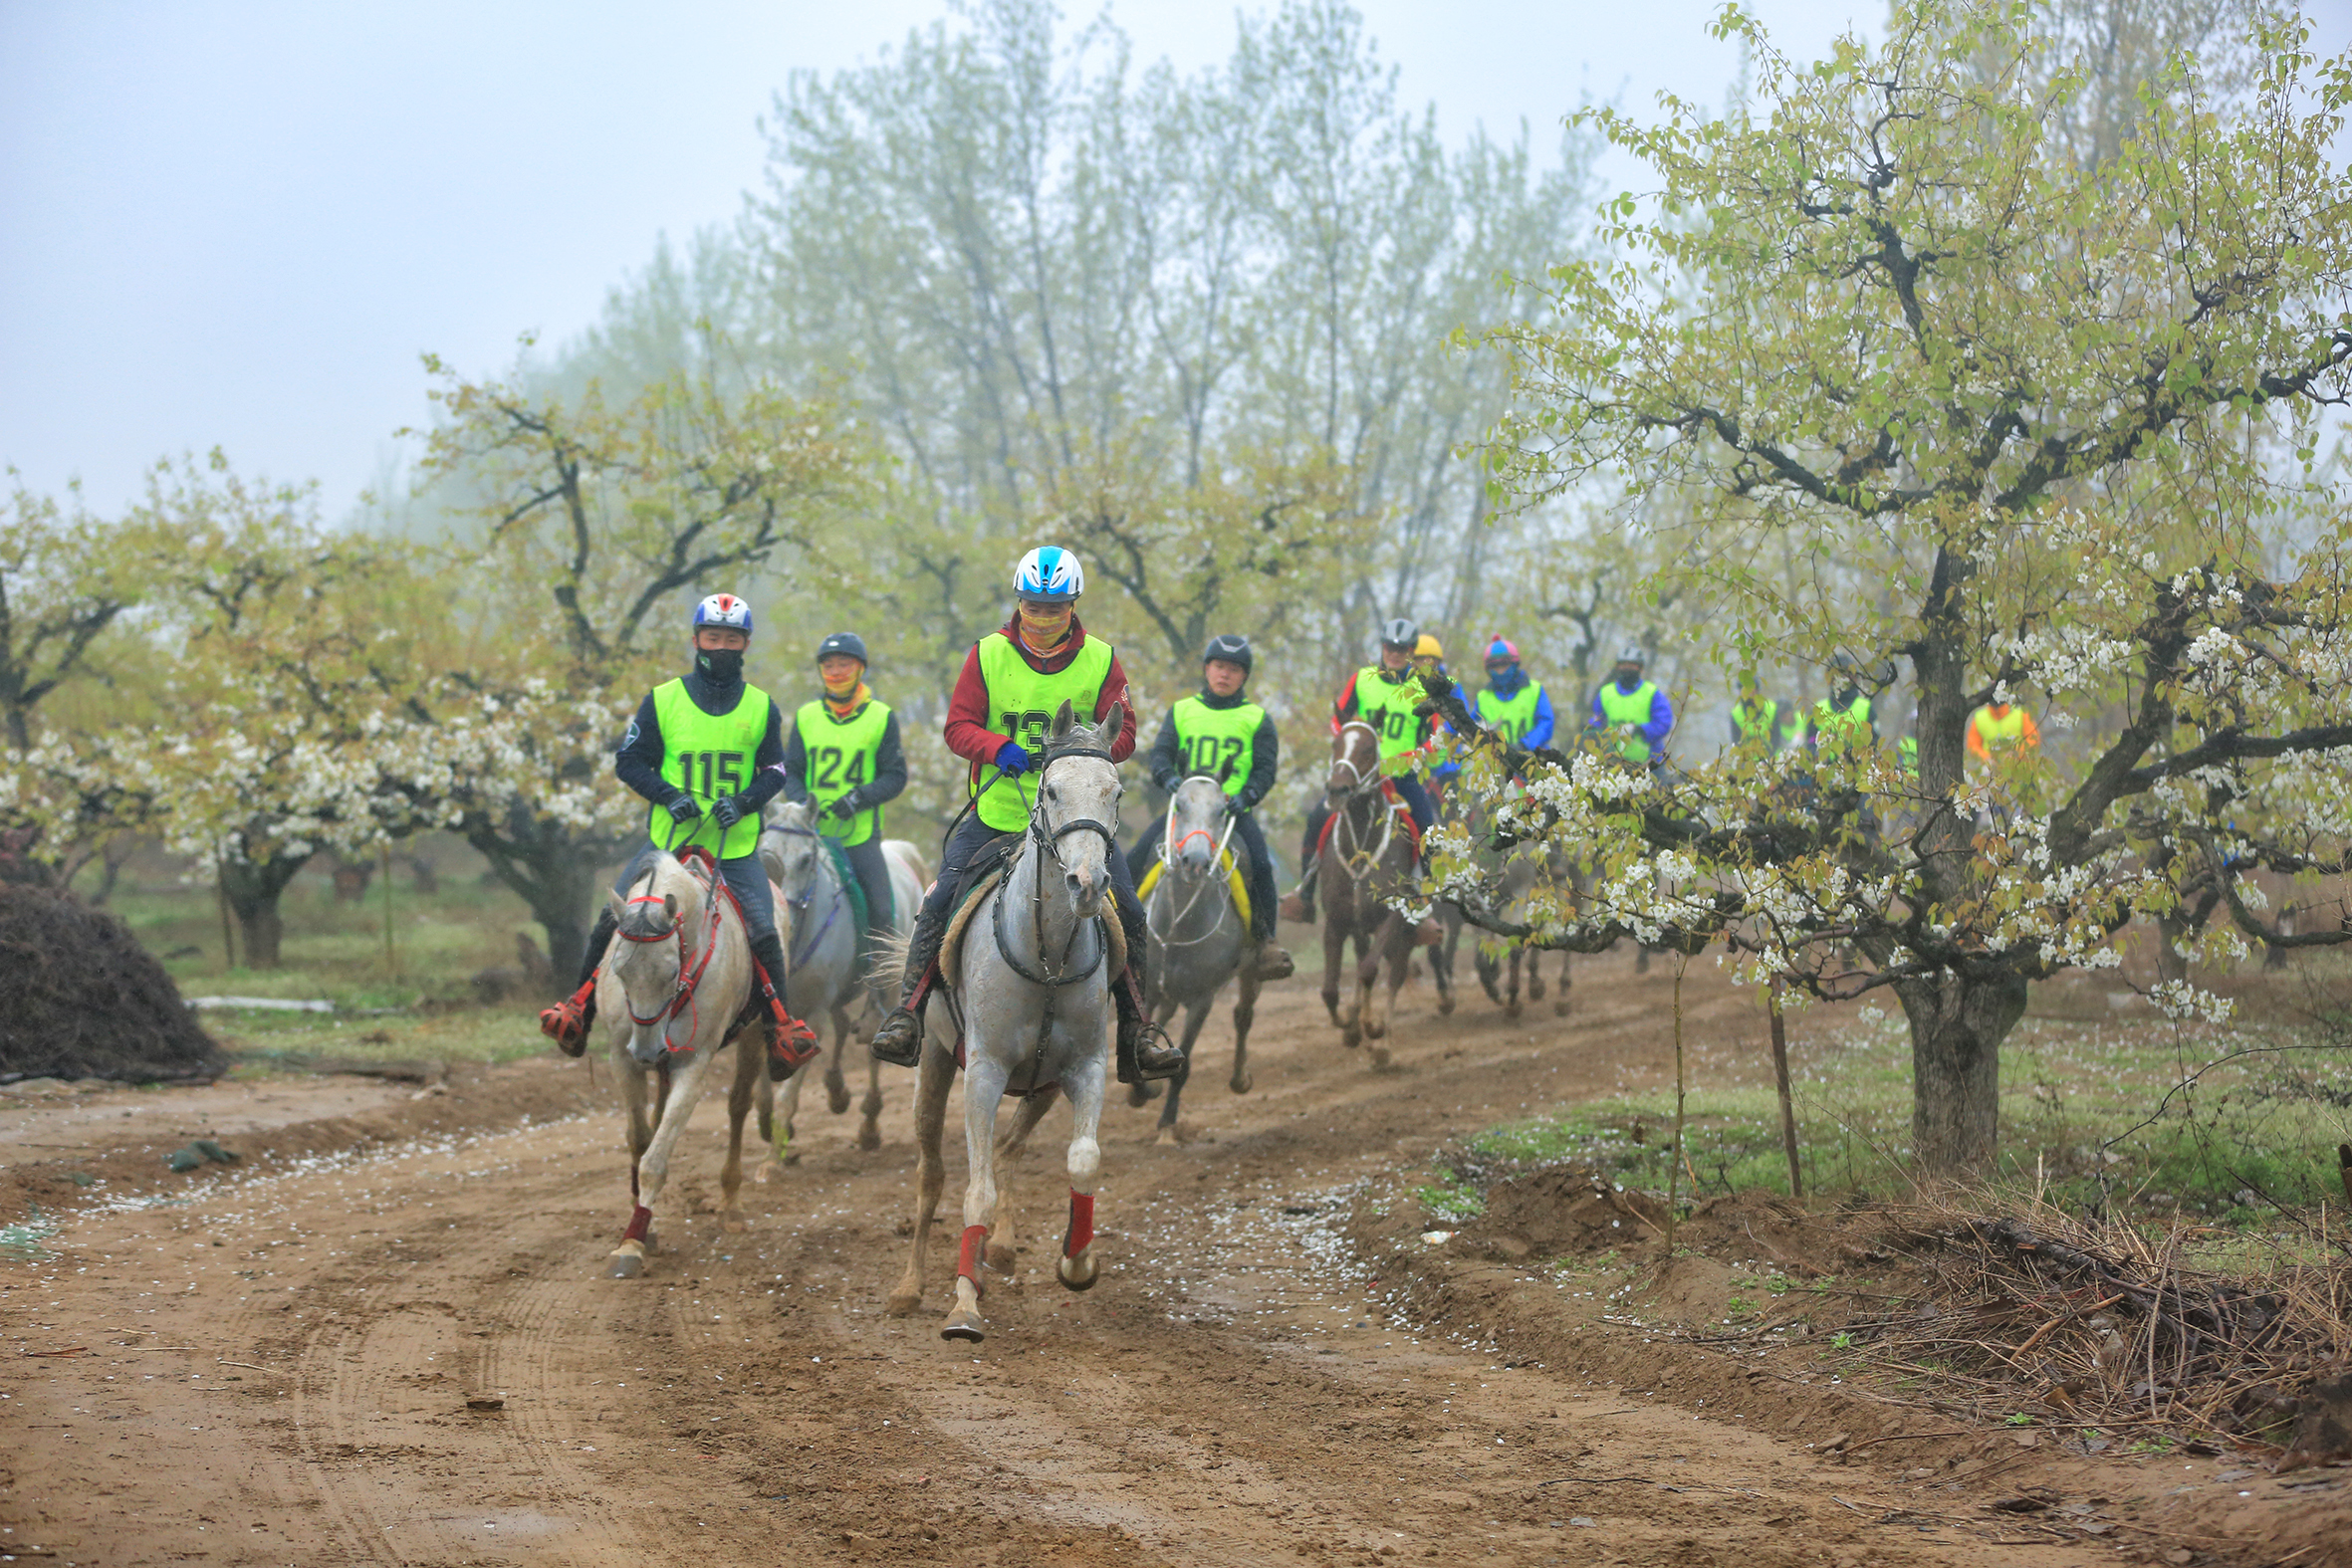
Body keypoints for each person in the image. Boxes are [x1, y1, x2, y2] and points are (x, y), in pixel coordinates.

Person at [868, 547, 1183, 1081]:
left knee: (1129, 907)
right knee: (941, 897)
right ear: (1019, 603)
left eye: (1054, 609)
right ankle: (907, 1014)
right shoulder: (987, 654)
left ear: (1072, 607)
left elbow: (1125, 731)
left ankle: (1137, 1030)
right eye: (1033, 607)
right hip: (1000, 811)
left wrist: (1086, 747)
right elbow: (957, 726)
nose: (1041, 619)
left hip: (1076, 822)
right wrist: (994, 747)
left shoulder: (1102, 659)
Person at [539, 593, 819, 1072]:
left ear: (745, 643)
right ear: (696, 640)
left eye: (732, 639)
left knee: (764, 931)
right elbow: (629, 762)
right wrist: (668, 794)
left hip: (733, 848)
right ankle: (578, 1011)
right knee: (611, 920)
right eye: (714, 637)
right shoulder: (662, 699)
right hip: (667, 847)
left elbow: (775, 769)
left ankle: (781, 1030)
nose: (722, 646)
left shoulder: (762, 706)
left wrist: (746, 801)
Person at [1125, 634, 1293, 981]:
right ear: (1207, 669)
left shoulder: (1257, 718)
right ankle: (1116, 931)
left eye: (1234, 669)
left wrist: (1247, 797)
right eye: (1219, 667)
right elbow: (1161, 754)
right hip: (1185, 809)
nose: (1225, 674)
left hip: (1230, 813)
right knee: (1136, 855)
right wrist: (1168, 779)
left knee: (1260, 865)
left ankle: (1265, 943)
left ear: (1244, 676)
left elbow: (1264, 769)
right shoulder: (1182, 710)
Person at [1282, 618, 1440, 925]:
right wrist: (1348, 747)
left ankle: (1423, 906)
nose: (1394, 654)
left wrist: (1410, 758)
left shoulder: (1423, 689)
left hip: (1399, 776)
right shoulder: (1362, 679)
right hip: (1359, 774)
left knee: (1427, 828)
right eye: (1390, 648)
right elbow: (1337, 720)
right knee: (1317, 819)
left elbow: (1434, 740)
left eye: (1402, 649)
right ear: (1382, 647)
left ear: (1411, 652)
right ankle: (1304, 893)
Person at [778, 631, 908, 963]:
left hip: (858, 835)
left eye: (844, 664)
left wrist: (858, 798)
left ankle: (879, 989)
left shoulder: (881, 716)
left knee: (880, 909)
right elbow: (790, 770)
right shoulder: (806, 716)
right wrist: (800, 804)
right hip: (809, 833)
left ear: (860, 668)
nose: (835, 672)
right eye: (829, 665)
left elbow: (895, 776)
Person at [1588, 646, 1674, 766]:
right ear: (1617, 667)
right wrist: (1592, 729)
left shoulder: (1652, 693)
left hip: (1648, 760)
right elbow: (1597, 720)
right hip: (1611, 760)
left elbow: (1663, 723)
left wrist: (1639, 729)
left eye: (1632, 665)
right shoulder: (1605, 693)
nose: (1627, 669)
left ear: (1640, 668)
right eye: (1623, 665)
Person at [1474, 637, 1555, 746]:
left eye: (1504, 665)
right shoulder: (1482, 698)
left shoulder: (1534, 690)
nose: (1500, 671)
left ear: (1515, 665)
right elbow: (1472, 730)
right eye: (1495, 667)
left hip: (1534, 758)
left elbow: (1546, 723)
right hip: (1496, 760)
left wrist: (1525, 745)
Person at [1807, 651, 1878, 761]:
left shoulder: (1866, 708)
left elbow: (1874, 743)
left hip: (1857, 773)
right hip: (1825, 773)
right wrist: (1818, 755)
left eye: (1846, 674)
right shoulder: (1819, 709)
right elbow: (1811, 741)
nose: (1842, 678)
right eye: (1837, 674)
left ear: (1855, 677)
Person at [1730, 669, 1795, 750]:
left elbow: (1775, 739)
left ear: (1757, 690)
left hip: (1772, 758)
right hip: (1749, 759)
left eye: (1752, 689)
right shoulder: (1736, 714)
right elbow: (1737, 742)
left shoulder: (1771, 708)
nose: (1750, 693)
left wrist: (1766, 760)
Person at [1966, 698, 2041, 765]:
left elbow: (2033, 739)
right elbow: (1972, 746)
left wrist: (2016, 753)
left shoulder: (2020, 714)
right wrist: (1987, 758)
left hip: (2018, 766)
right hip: (1989, 770)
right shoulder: (1979, 718)